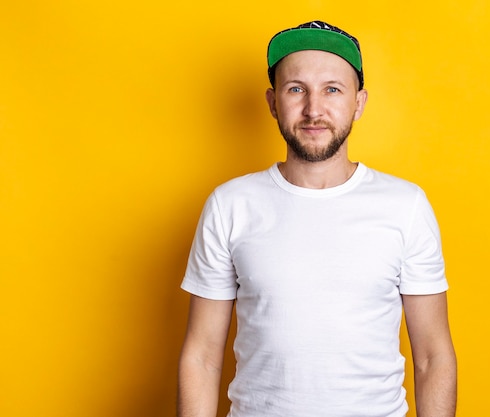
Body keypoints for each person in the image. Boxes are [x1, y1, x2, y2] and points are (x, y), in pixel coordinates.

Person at [177, 20, 457, 417]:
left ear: (358, 103)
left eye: (332, 90)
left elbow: (433, 356)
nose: (313, 109)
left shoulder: (405, 206)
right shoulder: (230, 205)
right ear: (273, 102)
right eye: (296, 89)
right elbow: (202, 356)